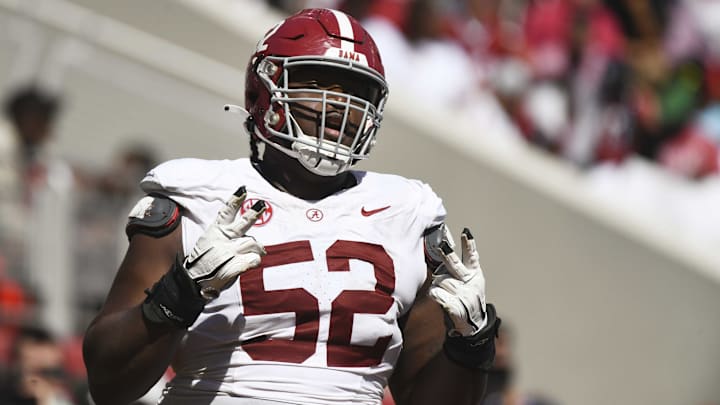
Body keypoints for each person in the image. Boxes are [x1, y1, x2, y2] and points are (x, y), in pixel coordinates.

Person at [82, 8, 500, 405]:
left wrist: (472, 343)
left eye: (358, 91)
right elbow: (109, 383)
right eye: (319, 82)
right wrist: (181, 292)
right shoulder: (198, 196)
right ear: (264, 88)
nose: (340, 104)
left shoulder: (407, 214)